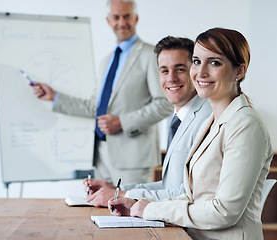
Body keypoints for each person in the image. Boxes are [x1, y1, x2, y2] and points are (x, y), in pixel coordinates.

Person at [108, 27, 273, 240]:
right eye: (196, 61)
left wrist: (150, 210)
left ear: (239, 71)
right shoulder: (211, 122)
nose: (200, 72)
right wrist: (138, 206)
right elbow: (192, 195)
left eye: (214, 62)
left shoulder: (246, 125)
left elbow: (224, 211)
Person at [31, 0, 173, 185]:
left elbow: (165, 103)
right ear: (108, 21)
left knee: (131, 211)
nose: (122, 22)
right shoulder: (105, 62)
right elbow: (94, 107)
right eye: (116, 17)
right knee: (99, 211)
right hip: (100, 156)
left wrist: (122, 122)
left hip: (133, 159)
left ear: (136, 18)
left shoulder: (151, 54)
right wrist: (54, 96)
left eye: (126, 16)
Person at [83, 36, 212, 207]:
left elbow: (187, 193)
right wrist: (116, 188)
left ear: (194, 70)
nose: (171, 78)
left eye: (180, 69)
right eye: (164, 71)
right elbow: (169, 187)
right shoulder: (179, 119)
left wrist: (121, 194)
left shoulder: (207, 118)